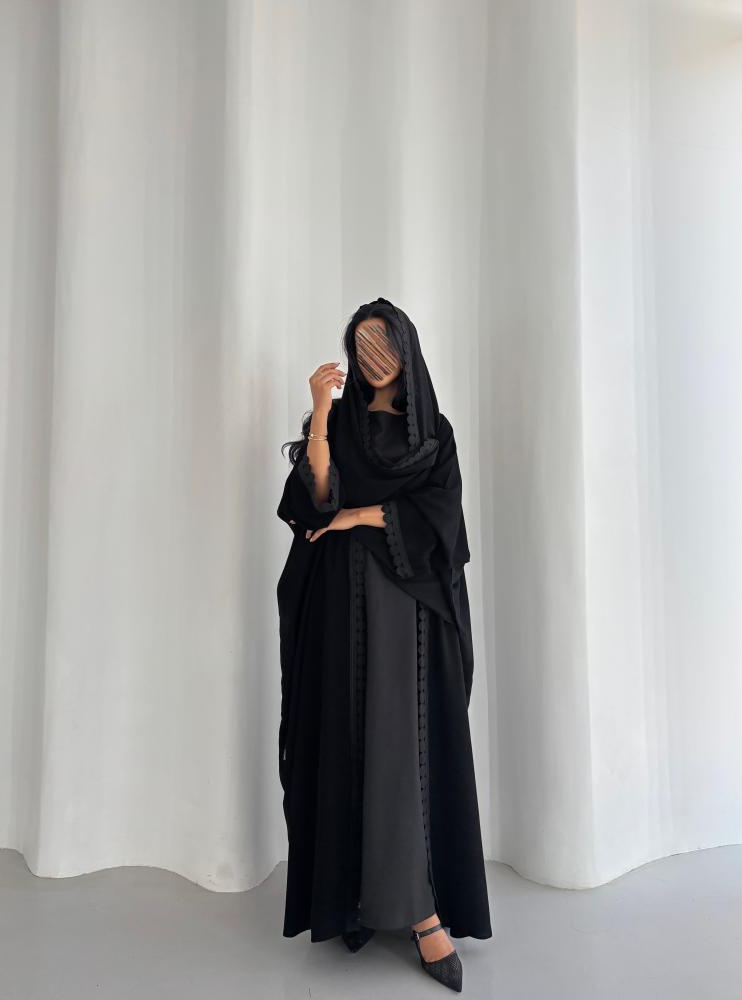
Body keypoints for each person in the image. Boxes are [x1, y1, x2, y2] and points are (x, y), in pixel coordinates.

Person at [276, 297, 492, 992]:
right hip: (343, 607)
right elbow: (316, 499)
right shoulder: (340, 421)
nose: (373, 358)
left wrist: (359, 517)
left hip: (412, 612)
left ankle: (424, 913)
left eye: (384, 344)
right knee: (348, 743)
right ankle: (354, 899)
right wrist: (319, 410)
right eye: (362, 345)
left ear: (406, 347)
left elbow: (442, 517)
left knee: (407, 752)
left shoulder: (435, 432)